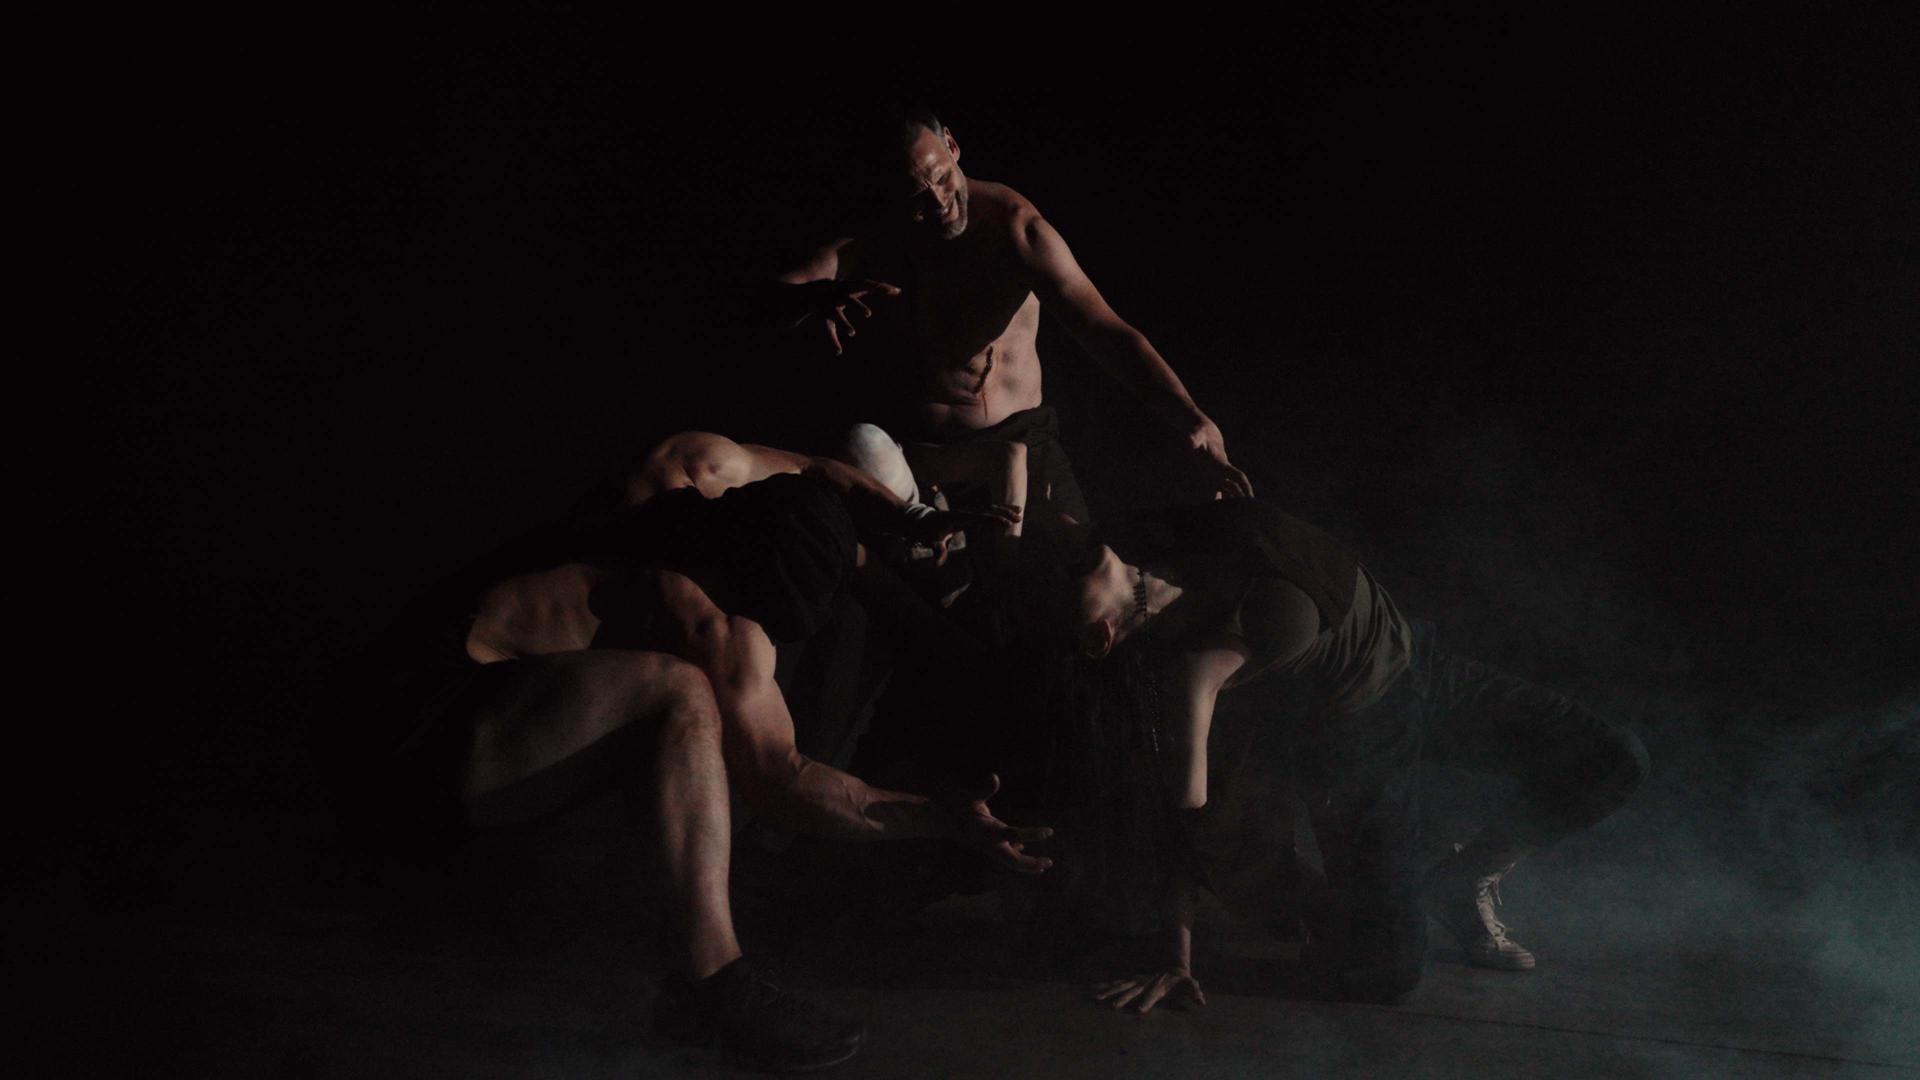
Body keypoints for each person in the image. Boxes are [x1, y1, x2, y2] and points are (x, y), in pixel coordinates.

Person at [318, 434, 1042, 1072]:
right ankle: (713, 985)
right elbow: (781, 780)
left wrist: (909, 515)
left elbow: (820, 470)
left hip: (414, 702)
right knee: (679, 696)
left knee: (662, 722)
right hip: (410, 750)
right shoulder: (708, 627)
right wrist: (938, 819)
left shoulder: (687, 470)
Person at [1051, 498, 1648, 1010]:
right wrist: (1175, 959)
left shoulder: (1166, 538)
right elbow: (1185, 823)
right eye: (1075, 571)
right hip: (1357, 741)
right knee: (1386, 973)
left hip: (1417, 666)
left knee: (1612, 759)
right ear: (1101, 634)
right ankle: (1333, 913)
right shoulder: (1191, 678)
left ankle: (1463, 878)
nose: (1087, 554)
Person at [772, 102, 1253, 530]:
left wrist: (1190, 416)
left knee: (1079, 571)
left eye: (943, 178)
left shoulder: (1015, 230)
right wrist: (812, 299)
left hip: (1018, 436)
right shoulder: (876, 236)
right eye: (916, 196)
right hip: (917, 447)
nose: (939, 203)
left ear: (952, 146)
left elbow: (1103, 330)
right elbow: (774, 295)